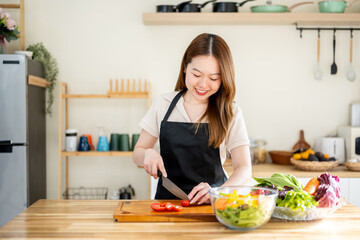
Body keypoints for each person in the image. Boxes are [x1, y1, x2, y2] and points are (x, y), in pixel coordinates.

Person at [133, 33, 252, 205]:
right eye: (196, 75)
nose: (203, 84)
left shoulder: (230, 111)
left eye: (213, 78)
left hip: (213, 205)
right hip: (166, 204)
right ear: (184, 68)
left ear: (223, 78)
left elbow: (244, 168)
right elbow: (137, 153)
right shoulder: (163, 104)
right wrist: (147, 153)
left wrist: (218, 193)